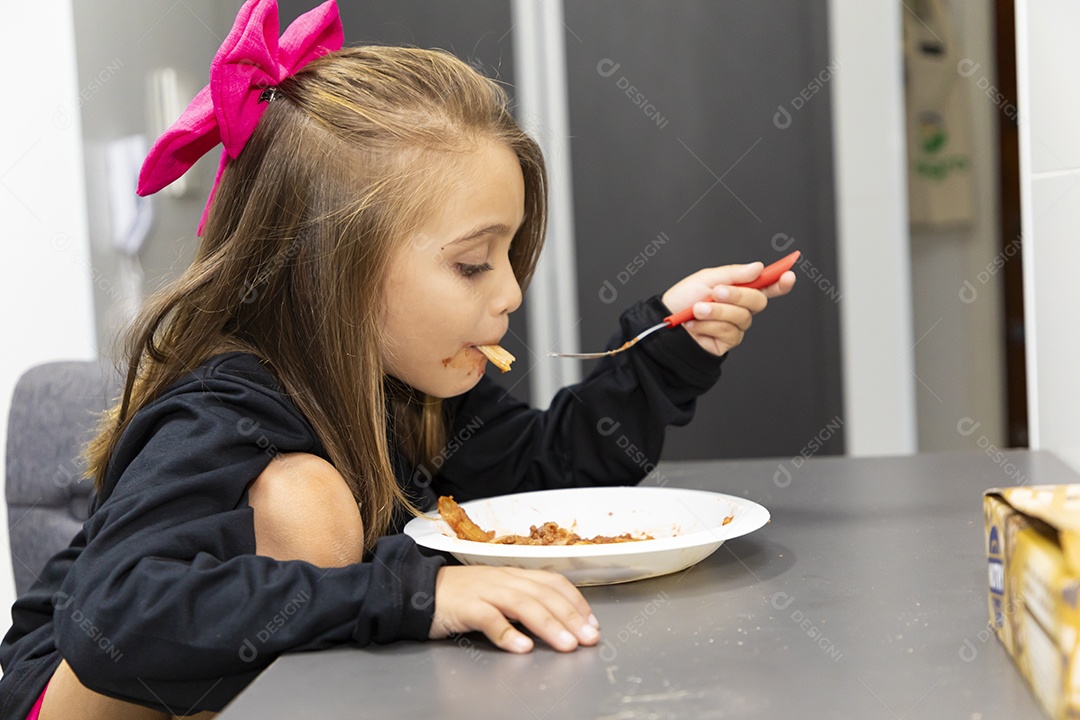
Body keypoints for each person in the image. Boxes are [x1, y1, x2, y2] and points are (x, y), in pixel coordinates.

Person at [0, 1, 795, 718]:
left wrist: (665, 348)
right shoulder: (224, 404)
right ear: (328, 267)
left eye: (511, 255)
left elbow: (547, 473)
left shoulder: (415, 384)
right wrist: (419, 594)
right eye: (474, 263)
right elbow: (111, 617)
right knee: (310, 501)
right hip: (64, 699)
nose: (513, 292)